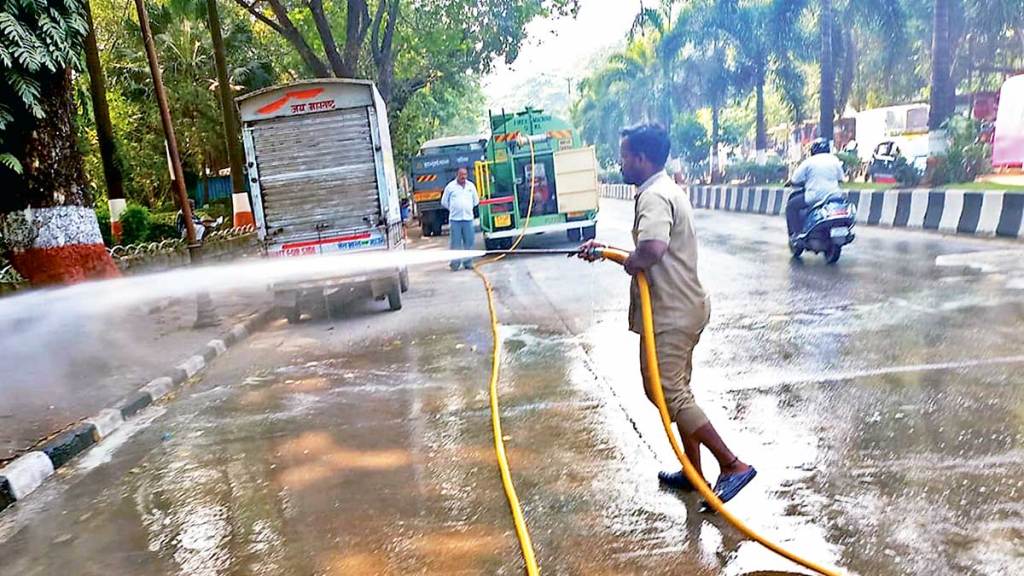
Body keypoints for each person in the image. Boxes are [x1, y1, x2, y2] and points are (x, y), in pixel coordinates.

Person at [578, 123, 756, 504]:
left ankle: (732, 464)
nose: (621, 162)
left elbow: (653, 249)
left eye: (625, 156)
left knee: (666, 391)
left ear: (641, 159)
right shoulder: (665, 188)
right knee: (678, 392)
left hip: (672, 312)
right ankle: (694, 473)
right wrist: (607, 250)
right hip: (685, 306)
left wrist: (628, 262)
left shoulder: (654, 197)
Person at [786, 138, 845, 240]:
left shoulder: (808, 162)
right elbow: (841, 179)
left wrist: (790, 182)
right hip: (834, 196)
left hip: (815, 196)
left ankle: (795, 234)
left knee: (791, 206)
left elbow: (795, 179)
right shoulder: (834, 160)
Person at [441, 167, 479, 270]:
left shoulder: (471, 186)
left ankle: (468, 263)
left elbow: (476, 201)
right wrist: (453, 209)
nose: (463, 177)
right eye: (461, 174)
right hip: (455, 220)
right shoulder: (450, 187)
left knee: (469, 241)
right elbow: (444, 202)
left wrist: (467, 207)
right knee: (455, 243)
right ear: (457, 175)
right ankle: (455, 264)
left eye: (465, 174)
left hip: (468, 218)